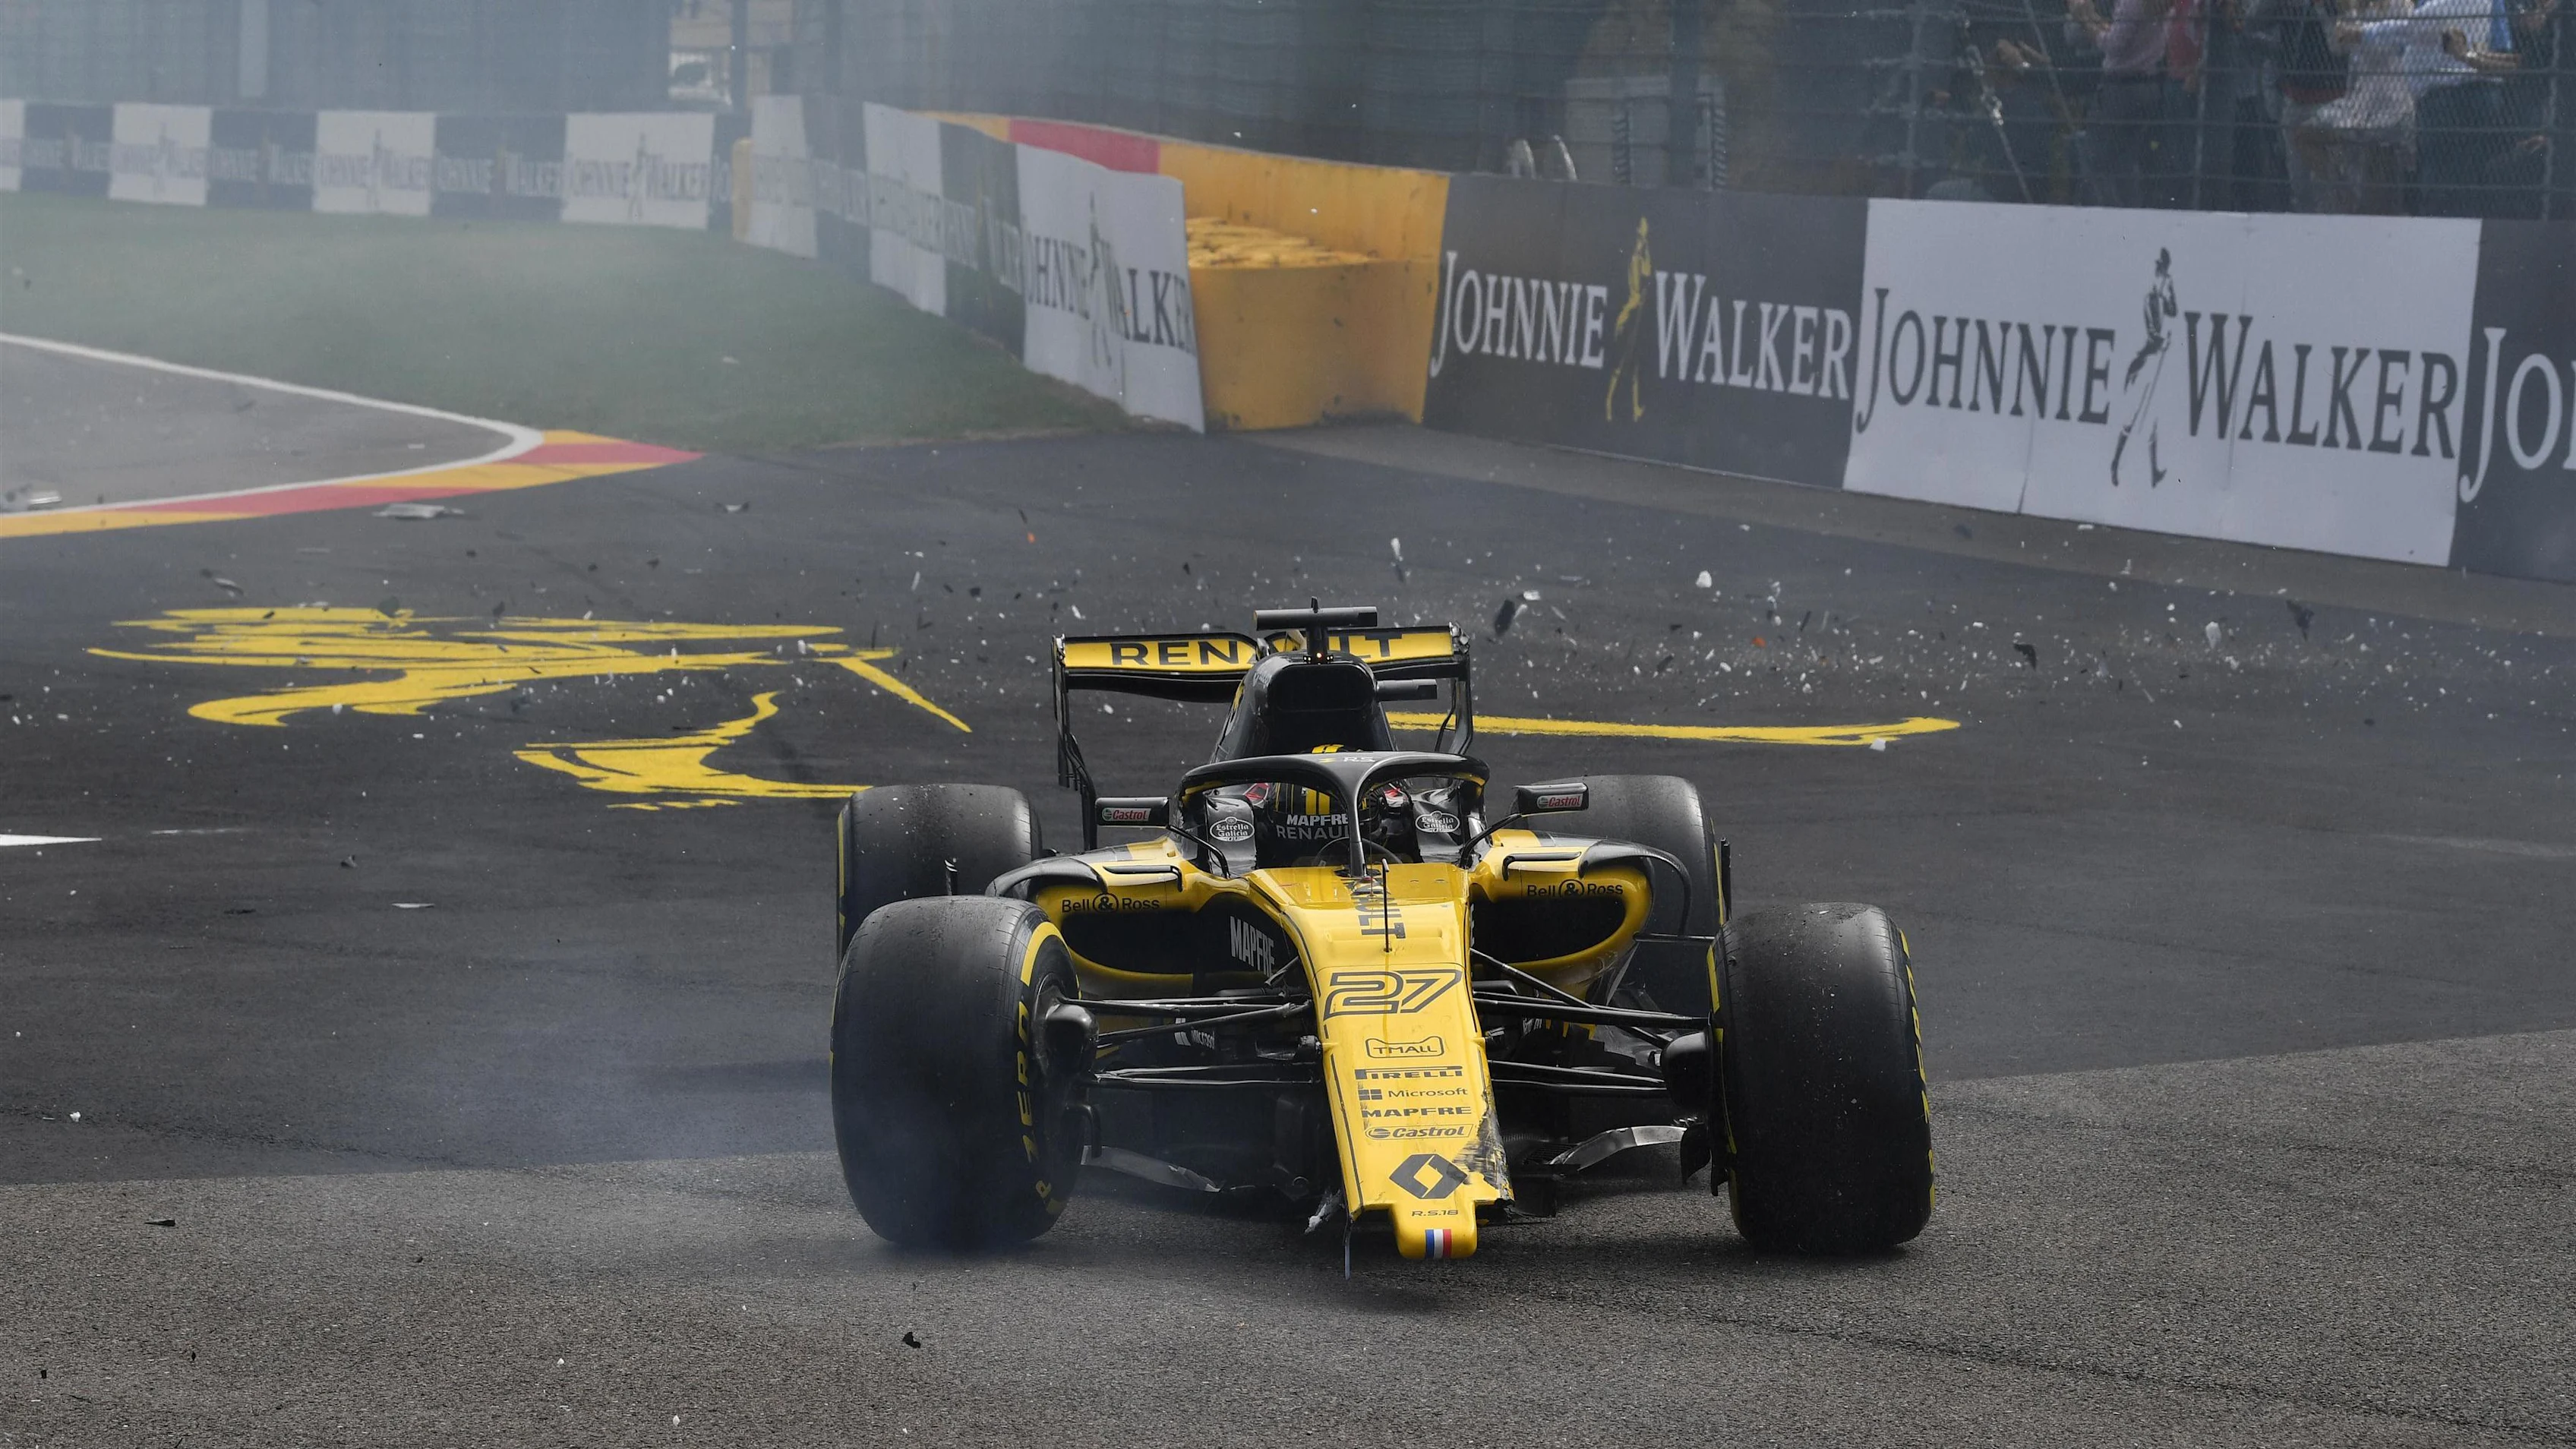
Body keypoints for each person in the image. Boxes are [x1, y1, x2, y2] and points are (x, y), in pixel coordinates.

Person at [2404, 0, 2527, 213]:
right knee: (2454, 169)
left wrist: (2469, 55)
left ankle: (2447, 222)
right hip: (2446, 91)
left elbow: (2502, 49)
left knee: (2447, 170)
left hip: (2467, 90)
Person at [2294, 0, 2417, 213]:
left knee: (2376, 193)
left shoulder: (2400, 4)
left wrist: (2359, 32)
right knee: (2304, 135)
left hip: (2388, 104)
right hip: (2357, 101)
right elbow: (2338, 47)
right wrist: (2339, 12)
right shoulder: (2355, 7)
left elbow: (2397, 45)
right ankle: (2342, 189)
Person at [2069, 0, 2178, 206]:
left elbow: (2113, 46)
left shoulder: (2132, 3)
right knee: (2126, 160)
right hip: (2147, 83)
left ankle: (2106, 212)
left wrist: (2084, 22)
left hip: (2121, 88)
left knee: (2099, 159)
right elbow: (2124, 33)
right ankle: (2130, 209)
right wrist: (2094, 19)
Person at [2246, 0, 2353, 209]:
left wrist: (2320, 7)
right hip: (2295, 100)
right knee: (2300, 185)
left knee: (2329, 187)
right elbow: (2252, 22)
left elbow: (2340, 46)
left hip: (2333, 100)